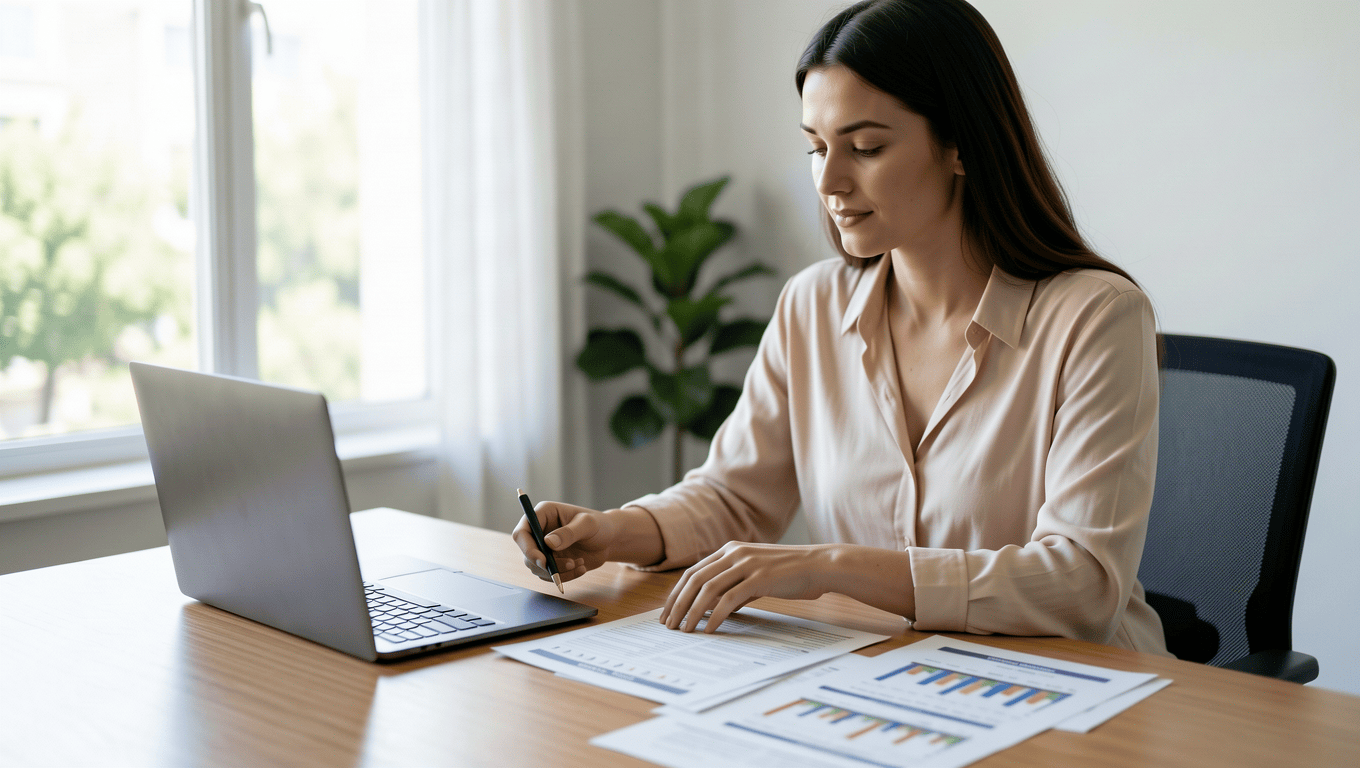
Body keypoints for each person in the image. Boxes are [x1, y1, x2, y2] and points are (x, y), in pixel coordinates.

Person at [514, 0, 1169, 656]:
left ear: (961, 144)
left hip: (1083, 686)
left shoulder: (1098, 317)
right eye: (816, 147)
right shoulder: (812, 305)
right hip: (880, 673)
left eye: (866, 148)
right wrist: (615, 531)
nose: (829, 180)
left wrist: (828, 566)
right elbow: (735, 497)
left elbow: (1083, 584)